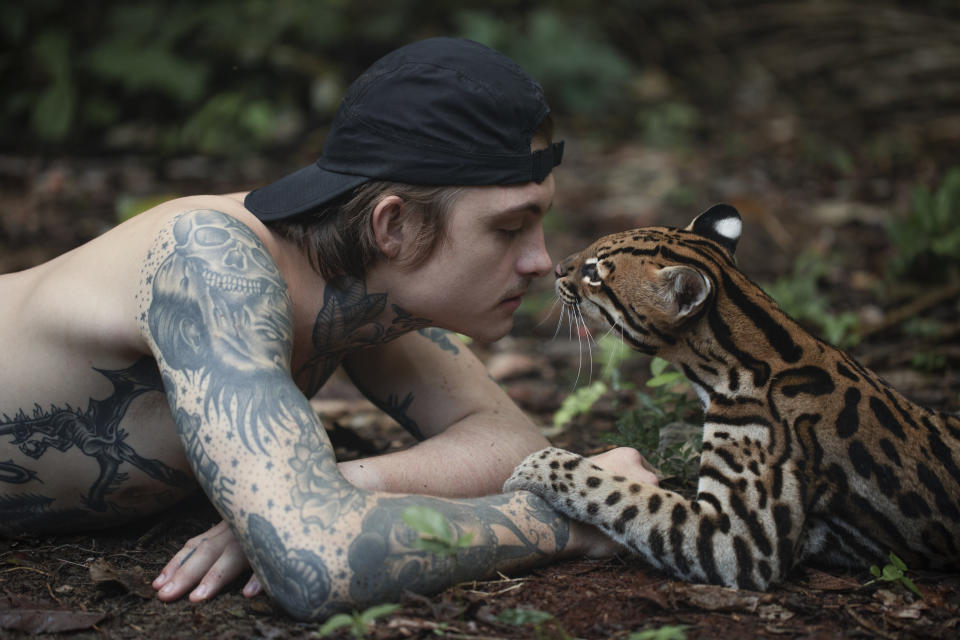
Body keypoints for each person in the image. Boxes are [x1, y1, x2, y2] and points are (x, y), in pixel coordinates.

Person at [0, 37, 657, 620]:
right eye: (508, 228)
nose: (541, 261)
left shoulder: (367, 287)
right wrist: (573, 518)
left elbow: (511, 446)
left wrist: (338, 487)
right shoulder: (209, 262)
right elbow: (318, 564)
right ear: (392, 225)